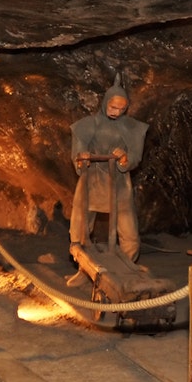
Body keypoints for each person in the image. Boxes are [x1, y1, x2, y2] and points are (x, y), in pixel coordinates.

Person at [69, 72, 149, 262]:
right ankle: (85, 267)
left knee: (130, 234)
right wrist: (83, 158)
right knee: (80, 231)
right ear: (105, 103)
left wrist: (124, 158)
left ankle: (126, 268)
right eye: (113, 107)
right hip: (92, 181)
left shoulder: (133, 128)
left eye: (121, 109)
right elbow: (78, 153)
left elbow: (135, 157)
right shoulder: (87, 125)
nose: (116, 112)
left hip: (119, 184)